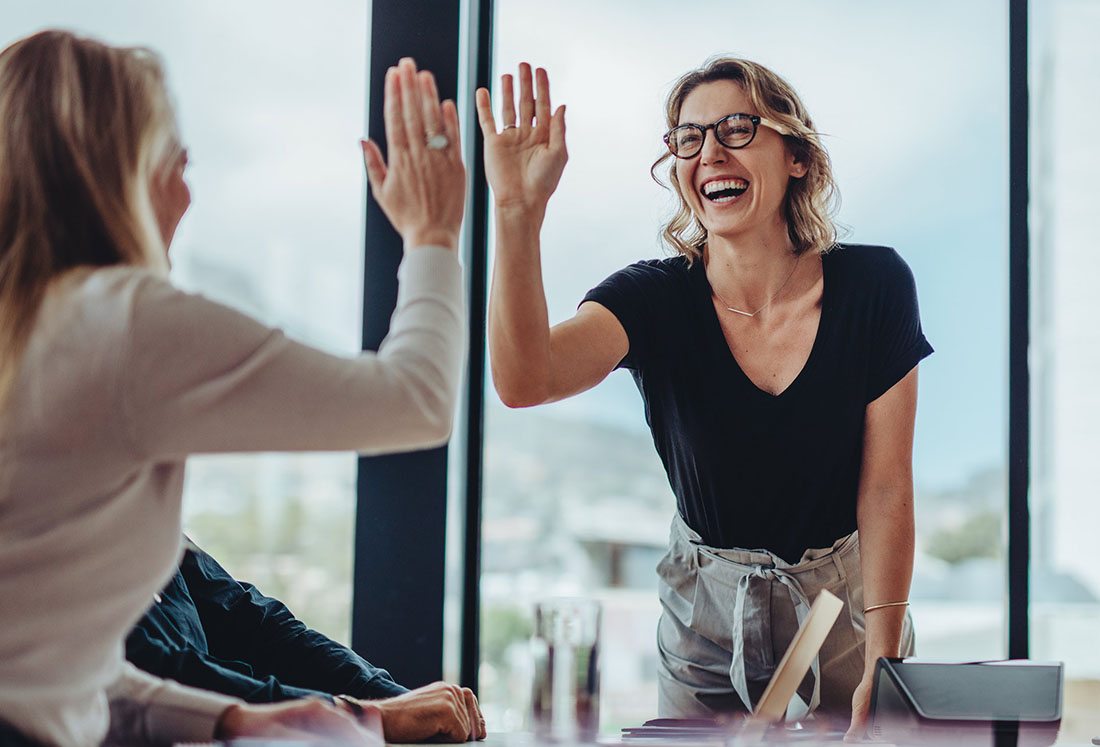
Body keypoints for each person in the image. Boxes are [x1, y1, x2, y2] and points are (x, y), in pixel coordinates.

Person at [0, 29, 480, 747]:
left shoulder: (28, 330)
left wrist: (251, 716)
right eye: (175, 162)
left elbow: (54, 677)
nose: (186, 194)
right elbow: (416, 399)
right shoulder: (119, 320)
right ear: (115, 170)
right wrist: (434, 233)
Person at [476, 59, 932, 739]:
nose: (709, 152)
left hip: (847, 611)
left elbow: (888, 488)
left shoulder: (876, 286)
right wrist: (517, 215)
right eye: (687, 138)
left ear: (799, 156)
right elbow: (524, 380)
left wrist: (884, 656)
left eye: (737, 128)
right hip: (706, 617)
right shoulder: (651, 298)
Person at [126, 538, 482, 743]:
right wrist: (367, 716)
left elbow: (252, 624)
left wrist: (392, 698)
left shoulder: (140, 512)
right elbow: (146, 671)